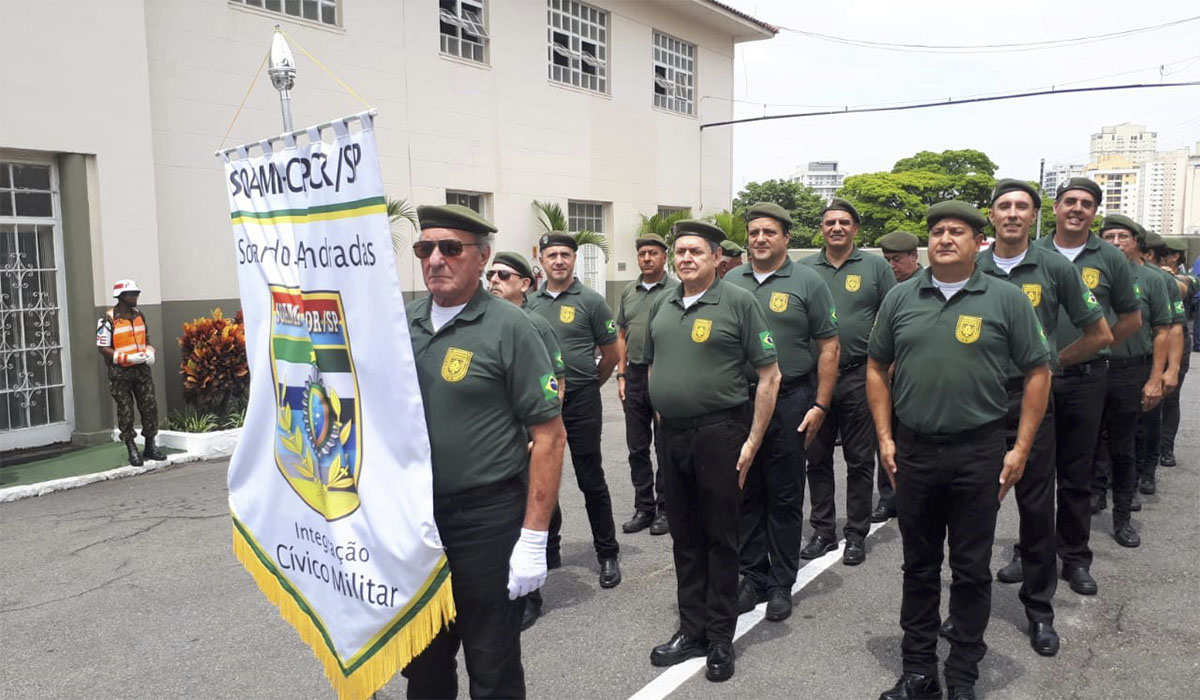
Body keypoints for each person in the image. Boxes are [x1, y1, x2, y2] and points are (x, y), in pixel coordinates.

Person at [867, 200, 1052, 700]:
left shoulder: (1006, 299)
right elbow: (875, 367)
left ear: (978, 242)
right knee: (919, 565)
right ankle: (919, 671)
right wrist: (885, 437)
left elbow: (1038, 371)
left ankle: (964, 674)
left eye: (957, 231)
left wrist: (1020, 448)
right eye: (937, 232)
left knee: (970, 570)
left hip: (979, 452)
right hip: (915, 452)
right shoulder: (901, 298)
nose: (944, 239)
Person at [402, 204, 566, 699]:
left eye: (450, 248)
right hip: (415, 522)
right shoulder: (401, 324)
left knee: (491, 666)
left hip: (485, 520)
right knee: (423, 666)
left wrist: (534, 538)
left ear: (482, 258)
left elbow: (549, 436)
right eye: (424, 248)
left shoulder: (511, 327)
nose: (435, 259)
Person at [973, 179, 1111, 658]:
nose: (1012, 214)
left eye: (1021, 207)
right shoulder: (971, 265)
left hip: (1030, 404)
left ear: (1035, 216)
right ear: (991, 216)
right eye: (1004, 206)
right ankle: (968, 608)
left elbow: (1100, 332)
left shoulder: (1053, 268)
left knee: (1035, 508)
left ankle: (1039, 611)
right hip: (978, 407)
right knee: (974, 510)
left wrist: (1054, 364)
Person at [645, 219, 780, 682]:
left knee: (721, 538)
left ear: (717, 258)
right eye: (679, 251)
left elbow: (770, 375)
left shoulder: (739, 302)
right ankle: (692, 630)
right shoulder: (663, 304)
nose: (685, 259)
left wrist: (752, 440)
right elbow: (653, 366)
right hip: (674, 436)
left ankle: (720, 637)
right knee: (684, 537)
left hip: (720, 434)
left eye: (695, 252)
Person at [726, 202, 839, 622]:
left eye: (768, 232)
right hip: (741, 400)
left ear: (786, 238)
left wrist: (820, 404)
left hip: (792, 398)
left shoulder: (807, 281)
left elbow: (829, 346)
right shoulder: (731, 281)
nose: (759, 239)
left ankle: (780, 583)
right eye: (754, 232)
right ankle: (752, 576)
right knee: (746, 490)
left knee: (785, 495)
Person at [1032, 177, 1141, 597]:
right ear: (1055, 207)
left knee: (1076, 475)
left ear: (1094, 212)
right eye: (1070, 201)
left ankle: (1074, 558)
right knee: (1033, 475)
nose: (1077, 208)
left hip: (1085, 379)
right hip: (1033, 381)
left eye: (1087, 203)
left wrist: (1083, 348)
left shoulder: (1110, 256)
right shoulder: (1032, 251)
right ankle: (1030, 552)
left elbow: (1130, 318)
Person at [800, 197, 896, 565]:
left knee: (859, 460)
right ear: (821, 229)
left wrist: (885, 371)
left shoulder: (875, 268)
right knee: (817, 458)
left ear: (855, 229)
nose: (836, 227)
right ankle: (823, 530)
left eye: (844, 222)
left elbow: (892, 321)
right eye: (830, 223)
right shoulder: (806, 270)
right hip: (815, 380)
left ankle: (856, 532)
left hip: (860, 375)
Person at [527, 232, 622, 588]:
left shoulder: (592, 301)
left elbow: (611, 354)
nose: (559, 261)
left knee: (590, 477)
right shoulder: (529, 304)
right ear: (542, 261)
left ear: (574, 259)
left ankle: (607, 553)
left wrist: (590, 384)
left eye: (565, 254)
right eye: (552, 255)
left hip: (581, 398)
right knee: (541, 476)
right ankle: (549, 548)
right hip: (542, 403)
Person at [486, 250, 565, 632]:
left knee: (526, 515)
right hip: (492, 441)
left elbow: (556, 383)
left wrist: (540, 434)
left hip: (526, 440)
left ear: (525, 284)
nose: (495, 281)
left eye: (504, 275)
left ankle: (530, 594)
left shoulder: (534, 324)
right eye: (492, 274)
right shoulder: (484, 322)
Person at [1089, 218, 1171, 550]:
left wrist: (1157, 377)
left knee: (1124, 446)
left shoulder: (1152, 279)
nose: (1117, 242)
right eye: (1109, 236)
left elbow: (1164, 329)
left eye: (1124, 236)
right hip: (1092, 368)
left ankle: (1122, 517)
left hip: (1129, 370)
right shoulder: (1089, 273)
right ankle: (1093, 496)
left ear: (1136, 242)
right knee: (1089, 441)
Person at [615, 232, 677, 536]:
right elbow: (621, 335)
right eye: (642, 254)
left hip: (665, 374)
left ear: (664, 256)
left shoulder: (676, 290)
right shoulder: (628, 292)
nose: (647, 258)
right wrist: (622, 375)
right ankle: (644, 507)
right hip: (635, 376)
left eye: (653, 253)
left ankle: (666, 508)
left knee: (664, 445)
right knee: (636, 447)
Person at [872, 229, 923, 523]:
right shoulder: (893, 290)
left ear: (914, 257)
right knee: (887, 438)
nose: (892, 265)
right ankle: (889, 497)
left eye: (898, 259)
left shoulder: (924, 285)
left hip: (916, 381)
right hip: (893, 381)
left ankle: (908, 495)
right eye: (887, 259)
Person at [1131, 232, 1186, 496]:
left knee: (1150, 419)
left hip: (1153, 357)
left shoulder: (1163, 280)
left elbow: (1174, 327)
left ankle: (1147, 470)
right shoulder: (1116, 274)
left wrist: (1170, 370)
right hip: (1123, 360)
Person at [96, 279, 166, 466]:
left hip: (142, 370)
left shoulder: (139, 315)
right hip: (120, 373)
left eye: (136, 293)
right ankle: (131, 447)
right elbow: (103, 348)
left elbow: (146, 340)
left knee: (149, 406)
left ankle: (150, 445)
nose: (135, 297)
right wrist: (126, 359)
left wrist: (150, 351)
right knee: (125, 411)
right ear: (121, 297)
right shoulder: (108, 319)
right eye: (131, 294)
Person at [1158, 238, 1197, 467]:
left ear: (1175, 257)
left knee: (1170, 398)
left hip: (1178, 343)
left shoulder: (1186, 276)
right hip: (1153, 341)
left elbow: (1185, 286)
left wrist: (1167, 276)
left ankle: (1166, 448)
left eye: (1165, 254)